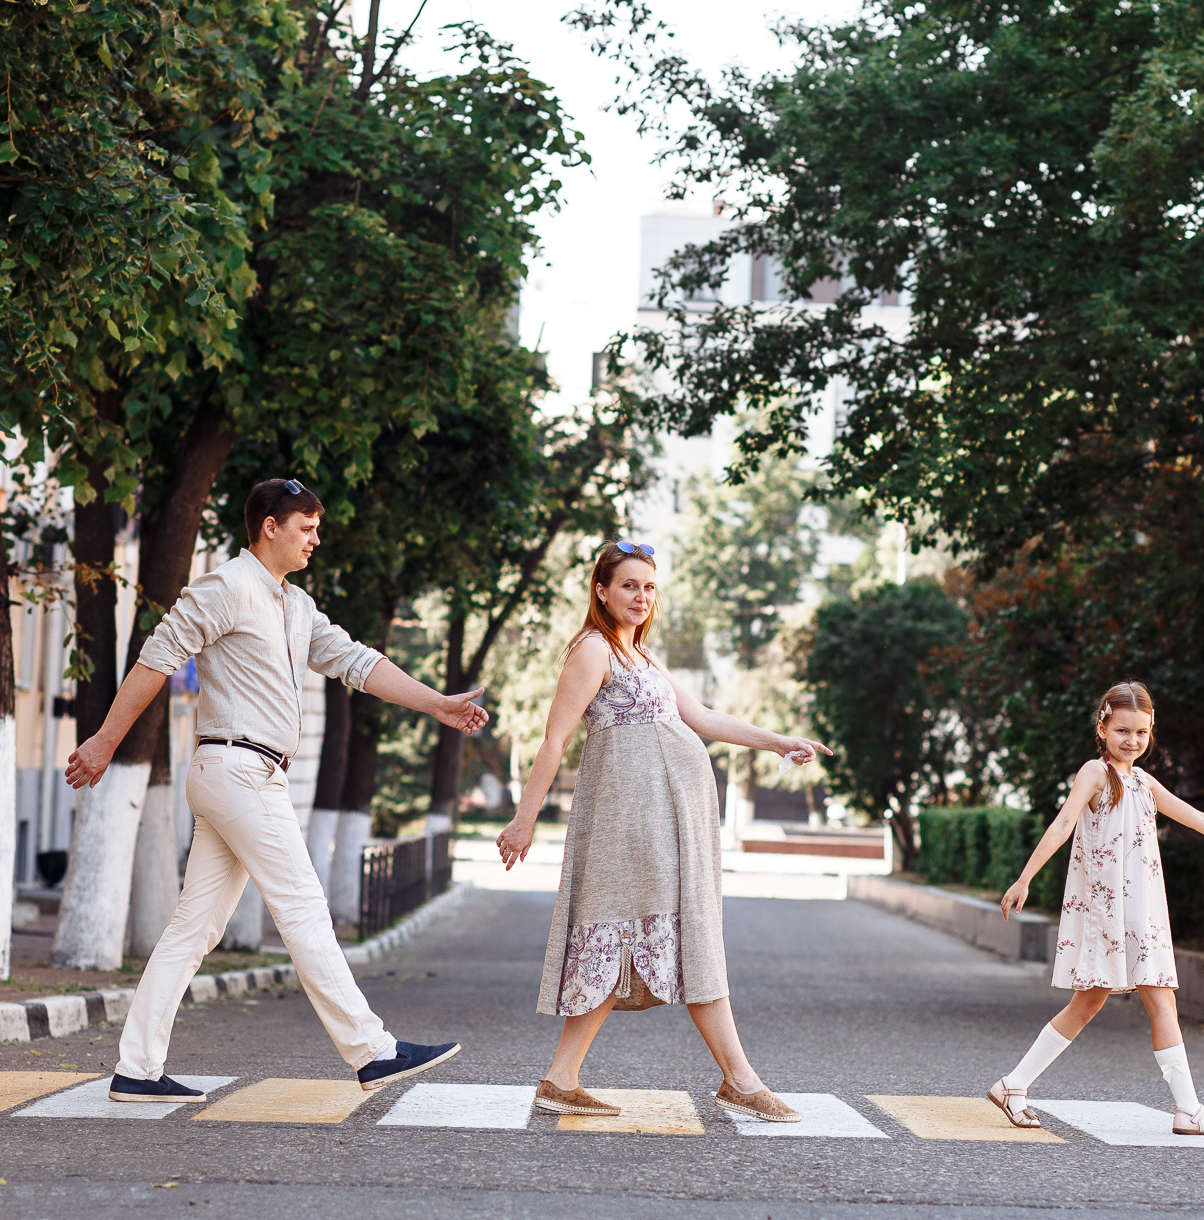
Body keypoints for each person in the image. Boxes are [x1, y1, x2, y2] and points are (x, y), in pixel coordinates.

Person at [64, 478, 488, 1101]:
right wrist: (104, 743)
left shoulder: (296, 606)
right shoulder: (226, 587)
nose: (316, 539)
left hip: (246, 776)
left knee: (194, 929)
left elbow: (358, 662)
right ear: (270, 526)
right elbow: (157, 657)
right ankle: (372, 1050)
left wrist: (439, 706)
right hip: (237, 771)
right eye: (306, 528)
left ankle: (136, 1069)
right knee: (303, 907)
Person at [496, 540, 831, 1124]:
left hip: (667, 824)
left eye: (649, 588)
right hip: (628, 824)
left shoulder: (644, 660)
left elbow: (702, 720)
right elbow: (555, 740)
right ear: (602, 590)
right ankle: (740, 1080)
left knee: (646, 937)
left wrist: (780, 741)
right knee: (671, 934)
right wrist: (524, 818)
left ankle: (561, 1078)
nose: (641, 597)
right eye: (629, 585)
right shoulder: (593, 651)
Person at [985, 681, 1204, 1135]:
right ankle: (1188, 1111)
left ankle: (1014, 1085)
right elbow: (1063, 824)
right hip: (1108, 912)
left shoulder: (1144, 782)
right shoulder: (1095, 773)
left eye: (1142, 733)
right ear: (1103, 727)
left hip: (1143, 911)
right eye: (1123, 731)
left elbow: (1200, 819)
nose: (1132, 741)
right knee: (1123, 1001)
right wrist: (1025, 878)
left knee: (1112, 1002)